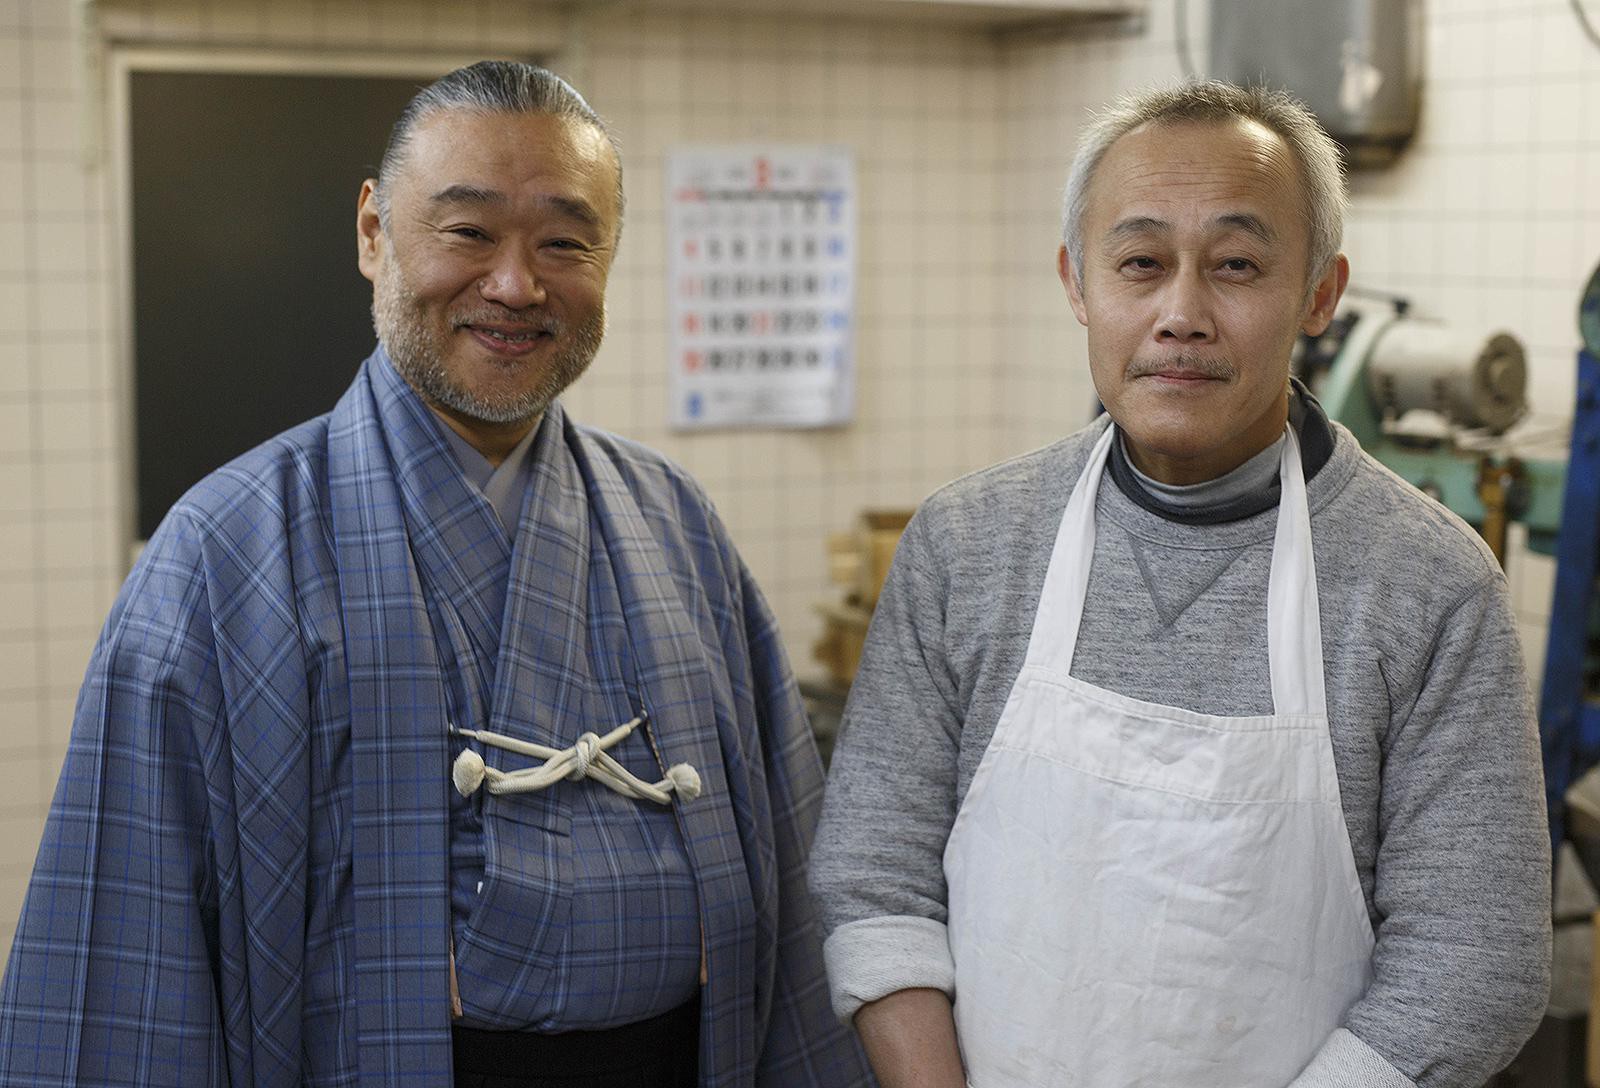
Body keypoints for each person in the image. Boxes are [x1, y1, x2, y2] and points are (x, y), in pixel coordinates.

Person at [0, 61, 871, 1088]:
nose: (515, 284)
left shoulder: (675, 522)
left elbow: (793, 872)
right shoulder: (224, 554)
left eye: (564, 241)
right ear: (373, 232)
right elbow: (126, 952)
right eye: (468, 232)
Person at [809, 80, 1550, 1088]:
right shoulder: (969, 544)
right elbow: (871, 874)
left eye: (1237, 265)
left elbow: (1473, 962)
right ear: (1077, 281)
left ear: (1319, 294)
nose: (1181, 314)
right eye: (1140, 263)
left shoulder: (1427, 583)